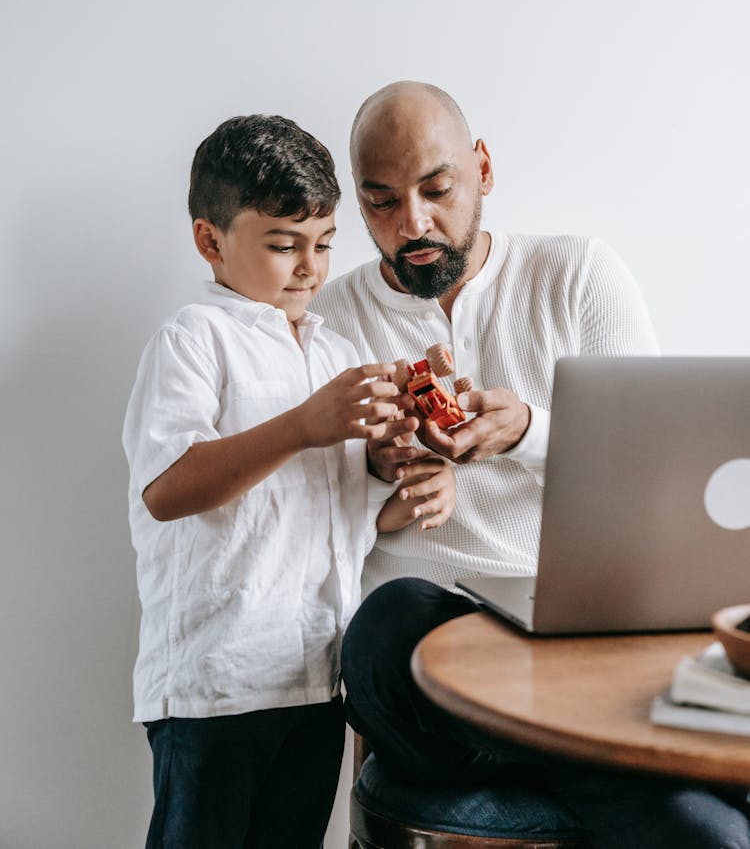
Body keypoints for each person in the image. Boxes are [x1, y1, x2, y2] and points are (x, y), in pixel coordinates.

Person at [310, 81, 750, 849]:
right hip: (425, 651)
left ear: (482, 167)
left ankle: (588, 765)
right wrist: (378, 468)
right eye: (380, 201)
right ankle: (633, 766)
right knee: (383, 626)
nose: (412, 223)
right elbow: (298, 526)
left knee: (705, 827)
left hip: (574, 642)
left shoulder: (578, 274)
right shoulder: (328, 319)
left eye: (436, 188)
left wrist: (528, 434)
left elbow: (660, 490)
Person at [123, 113, 456, 849]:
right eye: (283, 245)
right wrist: (307, 423)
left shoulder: (332, 348)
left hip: (313, 680)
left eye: (326, 244)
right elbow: (167, 487)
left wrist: (397, 475)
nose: (310, 267)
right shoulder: (192, 339)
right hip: (215, 688)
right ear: (210, 240)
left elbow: (343, 515)